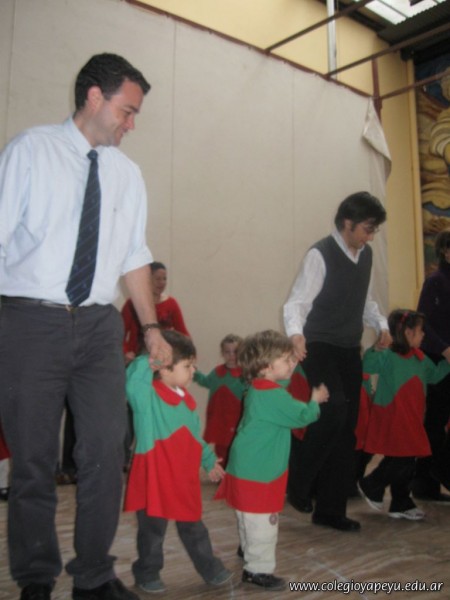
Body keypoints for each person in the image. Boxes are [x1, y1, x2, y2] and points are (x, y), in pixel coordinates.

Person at [0, 53, 172, 600]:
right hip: (30, 322)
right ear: (94, 98)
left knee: (104, 451)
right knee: (33, 460)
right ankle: (35, 577)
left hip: (99, 327)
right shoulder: (30, 151)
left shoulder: (127, 174)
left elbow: (134, 256)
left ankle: (94, 575)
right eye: (127, 110)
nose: (132, 124)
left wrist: (151, 329)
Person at [283, 191, 391, 532]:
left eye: (373, 230)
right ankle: (297, 479)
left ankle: (330, 509)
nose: (370, 237)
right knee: (332, 410)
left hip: (348, 347)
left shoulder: (366, 255)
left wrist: (382, 325)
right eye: (367, 229)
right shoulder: (321, 254)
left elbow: (366, 300)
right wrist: (295, 335)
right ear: (348, 223)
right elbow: (297, 302)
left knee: (347, 428)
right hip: (317, 344)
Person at [215, 330, 328, 591]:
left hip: (245, 466)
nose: (291, 364)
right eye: (286, 360)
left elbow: (281, 385)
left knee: (248, 517)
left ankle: (248, 550)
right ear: (266, 366)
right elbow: (301, 416)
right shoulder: (273, 396)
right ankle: (258, 570)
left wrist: (291, 364)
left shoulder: (258, 387)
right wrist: (314, 401)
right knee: (264, 523)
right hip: (261, 471)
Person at [123, 330, 232, 593]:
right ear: (164, 368)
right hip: (154, 480)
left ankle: (211, 568)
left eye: (193, 365)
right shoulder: (147, 399)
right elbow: (132, 380)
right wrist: (150, 357)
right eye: (187, 366)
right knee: (152, 533)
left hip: (183, 480)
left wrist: (209, 460)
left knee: (194, 527)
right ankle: (147, 573)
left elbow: (195, 439)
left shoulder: (188, 403)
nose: (194, 371)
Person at [358, 309, 450, 520]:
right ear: (408, 333)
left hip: (412, 418)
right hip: (393, 417)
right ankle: (372, 484)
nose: (424, 335)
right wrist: (375, 349)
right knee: (403, 460)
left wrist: (446, 364)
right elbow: (368, 365)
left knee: (404, 459)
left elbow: (435, 375)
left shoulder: (420, 359)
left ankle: (400, 502)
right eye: (420, 331)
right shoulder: (388, 356)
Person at [412, 229, 450, 501]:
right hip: (439, 360)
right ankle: (425, 483)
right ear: (445, 252)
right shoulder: (436, 281)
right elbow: (422, 323)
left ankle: (440, 471)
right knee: (435, 421)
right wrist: (445, 349)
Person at [122, 261, 190, 364]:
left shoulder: (171, 303)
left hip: (163, 358)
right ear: (147, 280)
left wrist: (189, 353)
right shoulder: (132, 303)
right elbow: (119, 333)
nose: (162, 282)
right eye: (158, 279)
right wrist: (125, 351)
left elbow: (182, 332)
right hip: (136, 359)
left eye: (164, 279)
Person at [194, 333, 246, 466]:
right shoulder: (217, 372)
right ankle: (222, 473)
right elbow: (206, 381)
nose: (231, 355)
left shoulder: (244, 375)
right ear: (222, 353)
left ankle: (233, 474)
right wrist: (193, 372)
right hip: (219, 419)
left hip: (236, 420)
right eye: (227, 352)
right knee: (221, 450)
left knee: (236, 450)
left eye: (235, 352)